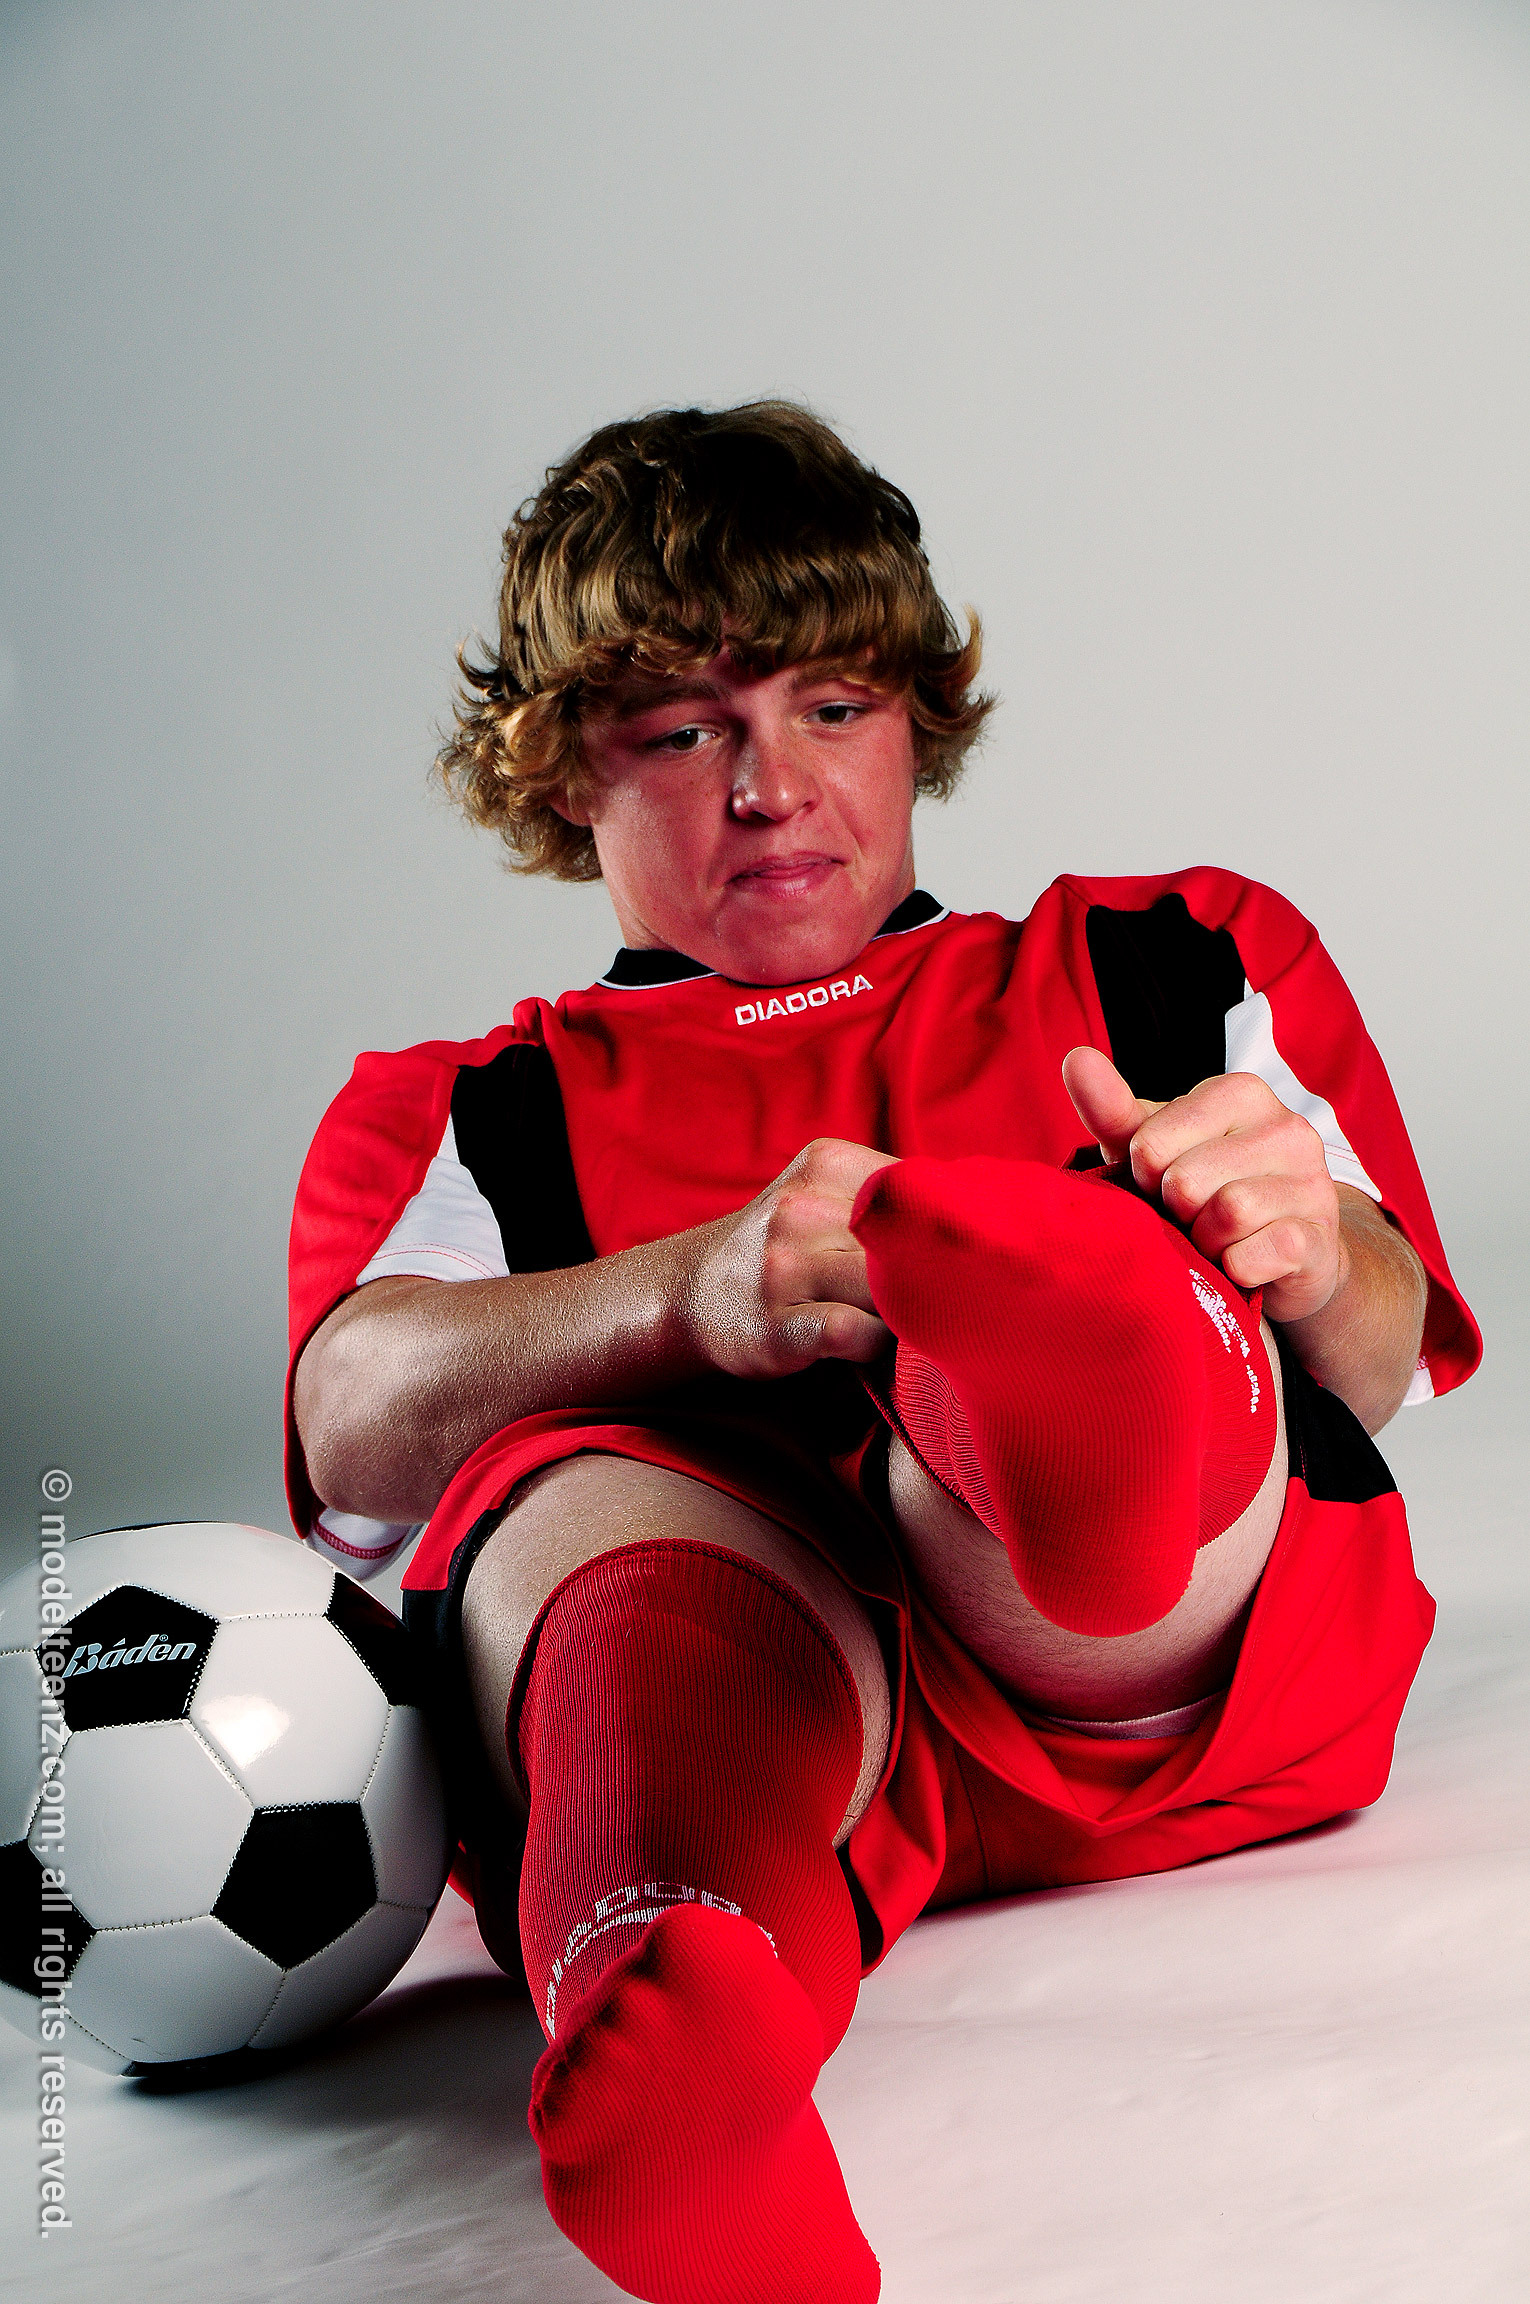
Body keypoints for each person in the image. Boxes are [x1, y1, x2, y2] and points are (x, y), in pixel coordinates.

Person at [286, 402, 1479, 2304]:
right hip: (774, 1711)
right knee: (580, 1497)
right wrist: (683, 1299)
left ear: (916, 719)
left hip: (1159, 1680)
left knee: (1068, 1302)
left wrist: (1301, 1242)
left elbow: (1382, 1357)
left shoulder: (1163, 960)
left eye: (831, 707)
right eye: (682, 733)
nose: (772, 787)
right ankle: (683, 2006)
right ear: (564, 775)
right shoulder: (475, 1106)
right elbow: (349, 1423)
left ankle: (1059, 1363)